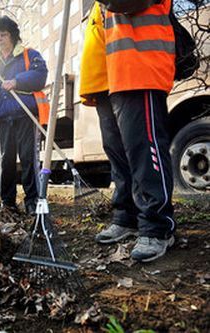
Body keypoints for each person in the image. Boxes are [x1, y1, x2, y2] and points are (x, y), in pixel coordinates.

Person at [89, 0, 177, 262]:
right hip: (110, 77)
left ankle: (157, 226)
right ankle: (126, 217)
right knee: (119, 154)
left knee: (144, 151)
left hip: (141, 68)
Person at [0, 16, 49, 215]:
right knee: (5, 159)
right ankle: (7, 202)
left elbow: (40, 75)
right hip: (3, 116)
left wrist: (17, 81)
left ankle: (32, 200)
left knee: (28, 158)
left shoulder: (29, 55)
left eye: (3, 35)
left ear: (13, 35)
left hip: (25, 114)